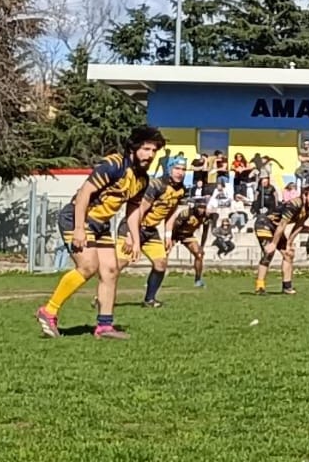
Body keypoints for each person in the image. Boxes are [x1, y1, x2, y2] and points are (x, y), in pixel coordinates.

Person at [38, 124, 166, 339]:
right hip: (77, 218)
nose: (150, 155)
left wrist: (135, 240)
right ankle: (48, 311)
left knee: (111, 270)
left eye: (154, 151)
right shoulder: (113, 164)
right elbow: (84, 193)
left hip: (101, 225)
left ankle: (104, 326)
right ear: (133, 148)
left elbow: (133, 210)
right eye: (146, 149)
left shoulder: (142, 179)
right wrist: (79, 229)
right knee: (88, 266)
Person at [128, 155, 194, 308]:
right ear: (169, 169)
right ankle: (102, 296)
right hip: (134, 227)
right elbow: (141, 210)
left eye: (183, 169)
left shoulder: (181, 190)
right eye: (177, 168)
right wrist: (131, 235)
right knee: (117, 265)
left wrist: (168, 235)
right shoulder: (156, 185)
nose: (180, 172)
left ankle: (149, 300)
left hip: (151, 231)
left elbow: (171, 213)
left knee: (161, 263)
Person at [254, 183, 309, 294]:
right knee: (269, 252)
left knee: (289, 254)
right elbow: (282, 224)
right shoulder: (294, 204)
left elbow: (299, 225)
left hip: (276, 227)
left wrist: (289, 243)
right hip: (264, 223)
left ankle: (287, 286)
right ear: (305, 196)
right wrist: (273, 243)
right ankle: (260, 286)